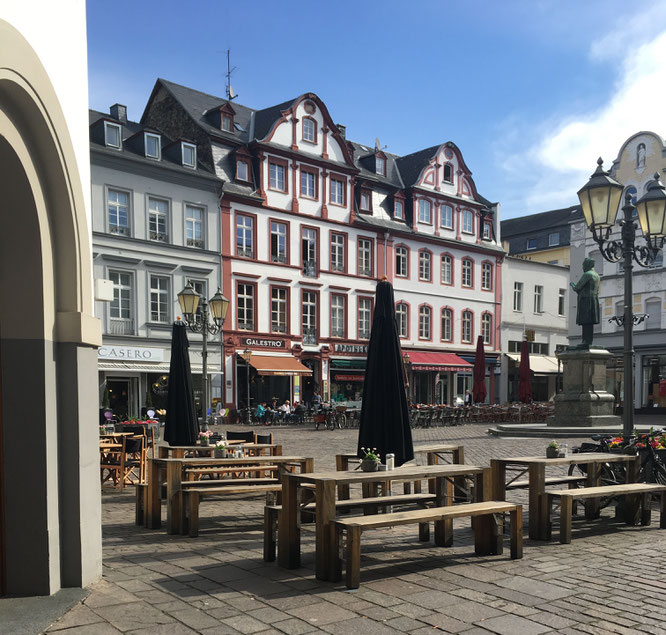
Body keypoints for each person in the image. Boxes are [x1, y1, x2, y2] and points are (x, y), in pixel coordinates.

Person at [570, 256, 600, 348]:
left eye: (583, 265)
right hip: (594, 300)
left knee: (586, 321)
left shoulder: (587, 274)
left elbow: (577, 287)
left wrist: (572, 284)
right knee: (589, 322)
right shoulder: (597, 275)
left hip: (586, 300)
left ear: (587, 265)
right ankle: (588, 340)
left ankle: (585, 341)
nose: (583, 267)